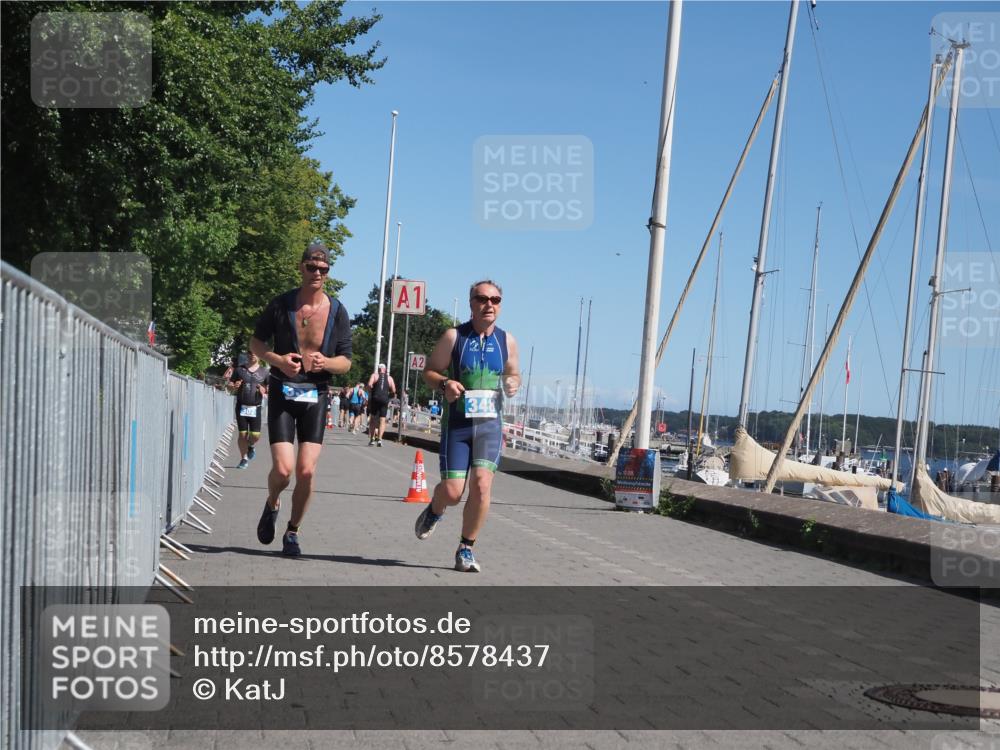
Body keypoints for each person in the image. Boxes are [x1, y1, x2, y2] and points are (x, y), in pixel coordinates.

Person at [249, 242, 352, 556]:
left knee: (306, 471)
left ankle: (292, 531)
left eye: (323, 269)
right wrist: (278, 361)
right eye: (312, 267)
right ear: (301, 267)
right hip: (282, 390)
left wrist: (326, 363)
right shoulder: (281, 305)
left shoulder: (337, 310)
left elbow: (346, 361)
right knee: (283, 470)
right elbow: (256, 342)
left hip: (316, 395)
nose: (317, 273)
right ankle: (272, 502)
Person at [413, 280, 520, 572]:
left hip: (490, 425)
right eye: (483, 299)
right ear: (471, 302)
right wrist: (445, 382)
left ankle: (466, 548)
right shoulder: (453, 336)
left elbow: (513, 373)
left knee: (482, 487)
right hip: (458, 424)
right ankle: (435, 509)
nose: (489, 304)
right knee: (452, 492)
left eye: (496, 299)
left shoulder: (507, 340)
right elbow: (430, 372)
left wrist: (513, 382)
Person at [229, 351, 268, 468]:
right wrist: (232, 386)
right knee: (242, 434)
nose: (253, 355)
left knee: (255, 435)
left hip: (255, 407)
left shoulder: (264, 371)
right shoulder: (239, 370)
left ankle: (250, 445)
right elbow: (230, 384)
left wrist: (263, 389)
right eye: (250, 353)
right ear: (247, 355)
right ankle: (243, 459)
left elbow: (268, 388)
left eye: (255, 353)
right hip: (241, 406)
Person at [367, 363, 396, 446]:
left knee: (373, 419)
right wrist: (387, 393)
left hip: (375, 398)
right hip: (384, 399)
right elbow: (394, 390)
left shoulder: (375, 375)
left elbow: (369, 384)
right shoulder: (390, 378)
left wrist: (371, 390)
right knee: (382, 420)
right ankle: (379, 439)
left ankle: (372, 439)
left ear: (378, 369)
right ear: (385, 369)